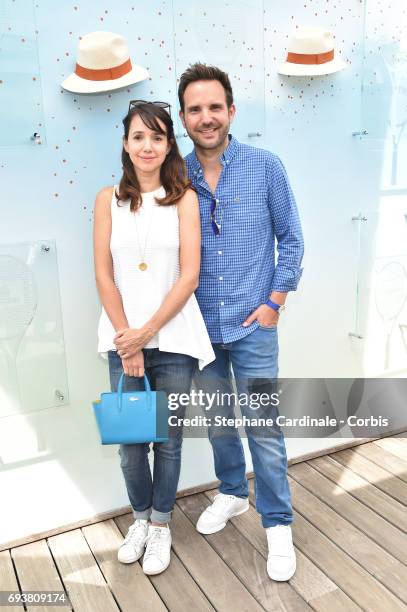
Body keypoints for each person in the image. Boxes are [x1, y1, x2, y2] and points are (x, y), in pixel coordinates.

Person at [178, 63, 304, 581]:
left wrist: (275, 300)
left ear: (231, 111)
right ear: (184, 118)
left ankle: (277, 524)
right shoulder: (175, 175)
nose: (205, 118)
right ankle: (232, 492)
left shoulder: (265, 166)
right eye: (194, 109)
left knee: (264, 430)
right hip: (198, 329)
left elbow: (291, 238)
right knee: (218, 422)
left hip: (254, 325)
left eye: (214, 107)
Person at [93, 100, 215, 576]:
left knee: (167, 441)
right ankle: (139, 520)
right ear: (126, 143)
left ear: (169, 146)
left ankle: (161, 525)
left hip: (176, 339)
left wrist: (148, 332)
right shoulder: (108, 200)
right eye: (139, 136)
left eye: (158, 137)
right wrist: (132, 340)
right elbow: (104, 274)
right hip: (123, 340)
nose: (148, 145)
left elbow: (189, 276)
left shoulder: (184, 199)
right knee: (130, 443)